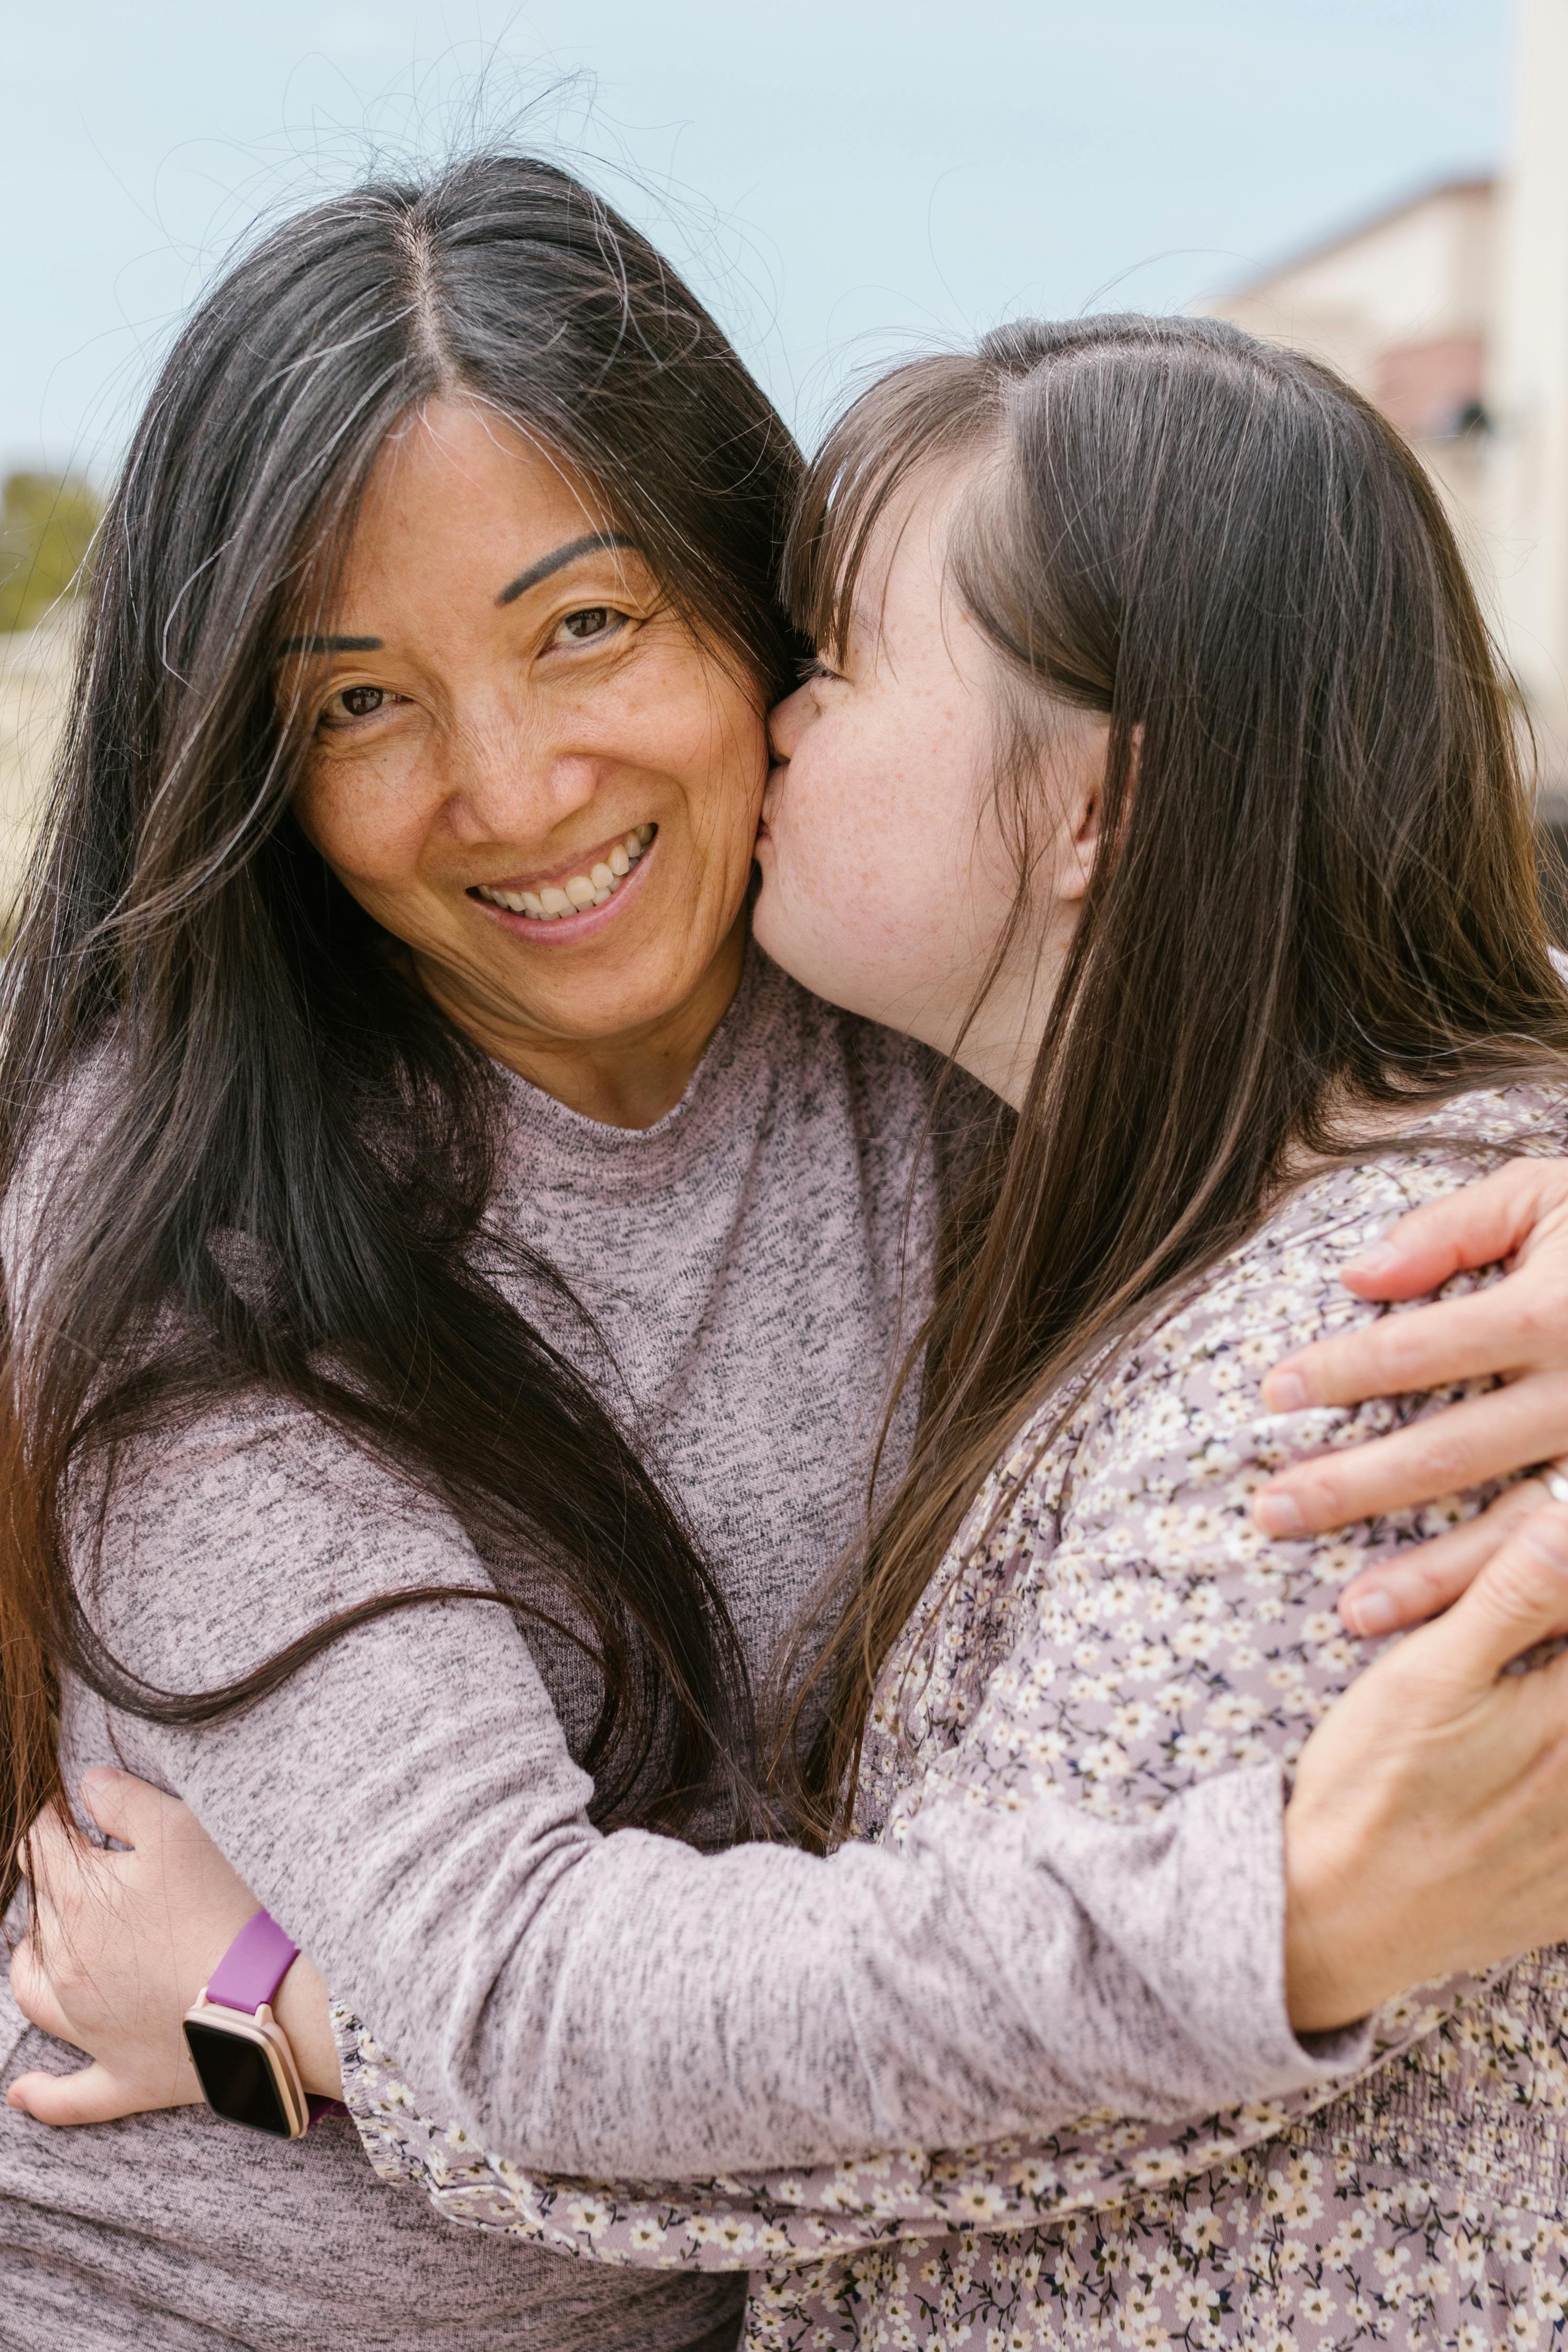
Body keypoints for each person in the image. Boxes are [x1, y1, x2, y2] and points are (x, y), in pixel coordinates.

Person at [8, 192, 1568, 2352]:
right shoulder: (199, 1212)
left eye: (585, 628)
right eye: (359, 700)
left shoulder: (906, 995)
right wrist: (1280, 1922)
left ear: (752, 610)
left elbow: (1313, 970)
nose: (512, 787)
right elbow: (520, 1991)